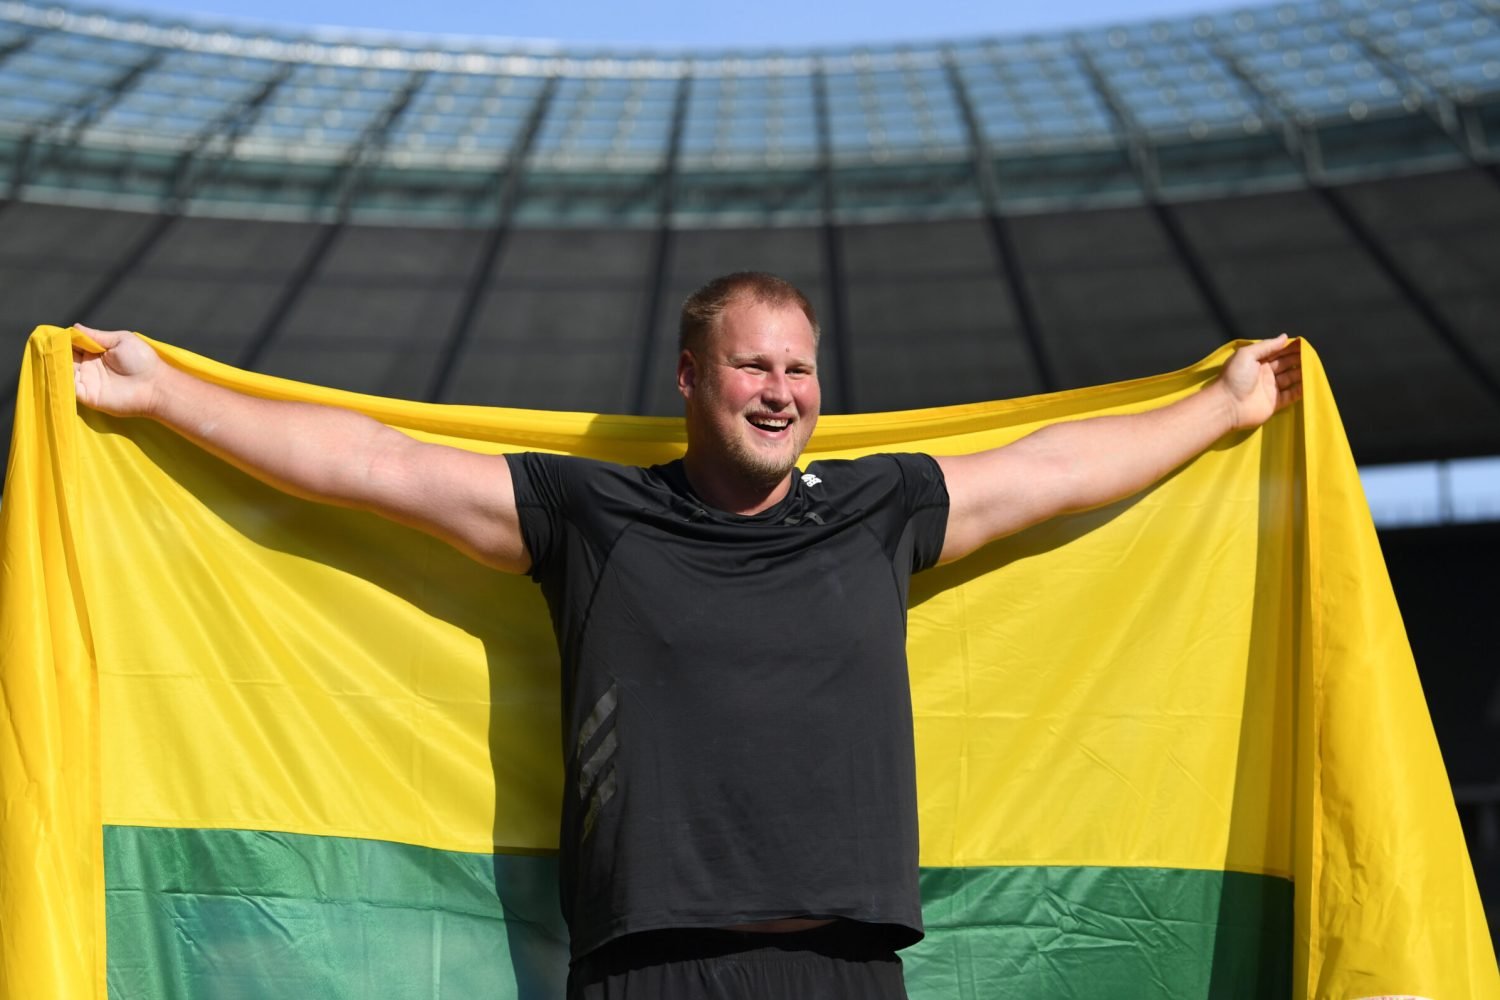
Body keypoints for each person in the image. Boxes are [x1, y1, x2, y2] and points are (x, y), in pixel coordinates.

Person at [73, 271, 1302, 1000]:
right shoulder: (592, 514)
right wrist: (164, 390)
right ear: (690, 378)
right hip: (650, 971)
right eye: (754, 365)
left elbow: (1058, 468)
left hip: (844, 968)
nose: (782, 390)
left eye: (802, 369)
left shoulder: (884, 508)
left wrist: (1223, 405)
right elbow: (375, 464)